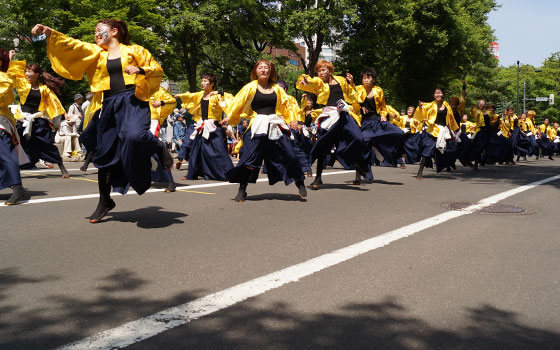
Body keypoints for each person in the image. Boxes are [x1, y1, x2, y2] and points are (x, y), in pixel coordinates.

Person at [32, 19, 173, 223]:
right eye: (95, 31)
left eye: (100, 30)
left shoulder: (135, 50)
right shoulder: (97, 53)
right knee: (104, 153)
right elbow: (72, 44)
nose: (96, 34)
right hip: (107, 103)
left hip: (132, 99)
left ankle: (157, 146)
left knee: (134, 135)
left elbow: (157, 69)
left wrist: (141, 71)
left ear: (114, 31)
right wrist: (50, 32)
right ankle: (105, 201)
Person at [222, 59, 306, 202]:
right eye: (260, 67)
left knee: (290, 154)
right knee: (249, 159)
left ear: (270, 71)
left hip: (275, 124)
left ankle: (299, 182)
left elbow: (288, 104)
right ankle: (242, 190)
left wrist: (293, 119)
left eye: (266, 68)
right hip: (257, 125)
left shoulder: (277, 89)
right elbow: (237, 103)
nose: (263, 70)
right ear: (255, 71)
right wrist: (229, 117)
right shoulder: (249, 87)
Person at [296, 60, 369, 189]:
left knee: (358, 138)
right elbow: (310, 80)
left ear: (330, 70)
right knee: (323, 145)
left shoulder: (340, 80)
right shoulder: (319, 82)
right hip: (328, 115)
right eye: (319, 71)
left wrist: (355, 92)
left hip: (343, 114)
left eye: (323, 70)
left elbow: (351, 93)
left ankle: (361, 163)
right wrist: (305, 80)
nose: (321, 72)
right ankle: (318, 178)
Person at [8, 51, 70, 177]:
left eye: (30, 71)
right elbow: (12, 74)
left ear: (36, 74)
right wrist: (10, 58)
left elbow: (54, 101)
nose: (26, 73)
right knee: (19, 144)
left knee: (46, 143)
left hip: (38, 120)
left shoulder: (44, 89)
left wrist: (64, 113)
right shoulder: (22, 83)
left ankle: (61, 166)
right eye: (26, 71)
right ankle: (16, 171)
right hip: (22, 120)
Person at [174, 73, 234, 180]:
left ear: (212, 84)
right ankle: (192, 174)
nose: (202, 83)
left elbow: (232, 102)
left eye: (205, 81)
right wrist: (180, 95)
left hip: (213, 126)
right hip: (201, 125)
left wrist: (221, 92)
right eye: (202, 80)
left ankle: (229, 174)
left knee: (219, 150)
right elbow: (191, 96)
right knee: (196, 149)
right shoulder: (200, 94)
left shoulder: (217, 96)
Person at [351, 67, 403, 184]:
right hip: (364, 123)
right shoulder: (358, 89)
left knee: (399, 132)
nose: (366, 80)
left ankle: (395, 155)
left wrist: (384, 115)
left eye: (369, 78)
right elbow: (350, 93)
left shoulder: (378, 90)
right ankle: (358, 176)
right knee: (363, 147)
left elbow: (383, 107)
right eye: (364, 78)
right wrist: (350, 82)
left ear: (373, 79)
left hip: (377, 122)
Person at [0, 48, 28, 205]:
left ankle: (17, 187)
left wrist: (8, 60)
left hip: (1, 121)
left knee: (4, 153)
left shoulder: (3, 78)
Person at [414, 87, 459, 179]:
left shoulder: (446, 105)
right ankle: (419, 173)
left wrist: (453, 129)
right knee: (426, 150)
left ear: (443, 94)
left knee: (451, 150)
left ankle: (449, 165)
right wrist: (420, 107)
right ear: (434, 95)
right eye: (436, 93)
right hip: (432, 130)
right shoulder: (430, 105)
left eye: (440, 93)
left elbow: (451, 118)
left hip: (444, 130)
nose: (438, 95)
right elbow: (421, 110)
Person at [149, 87, 177, 192]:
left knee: (155, 150)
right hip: (136, 119)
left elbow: (172, 101)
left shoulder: (157, 89)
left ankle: (169, 180)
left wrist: (161, 102)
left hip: (152, 120)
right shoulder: (134, 86)